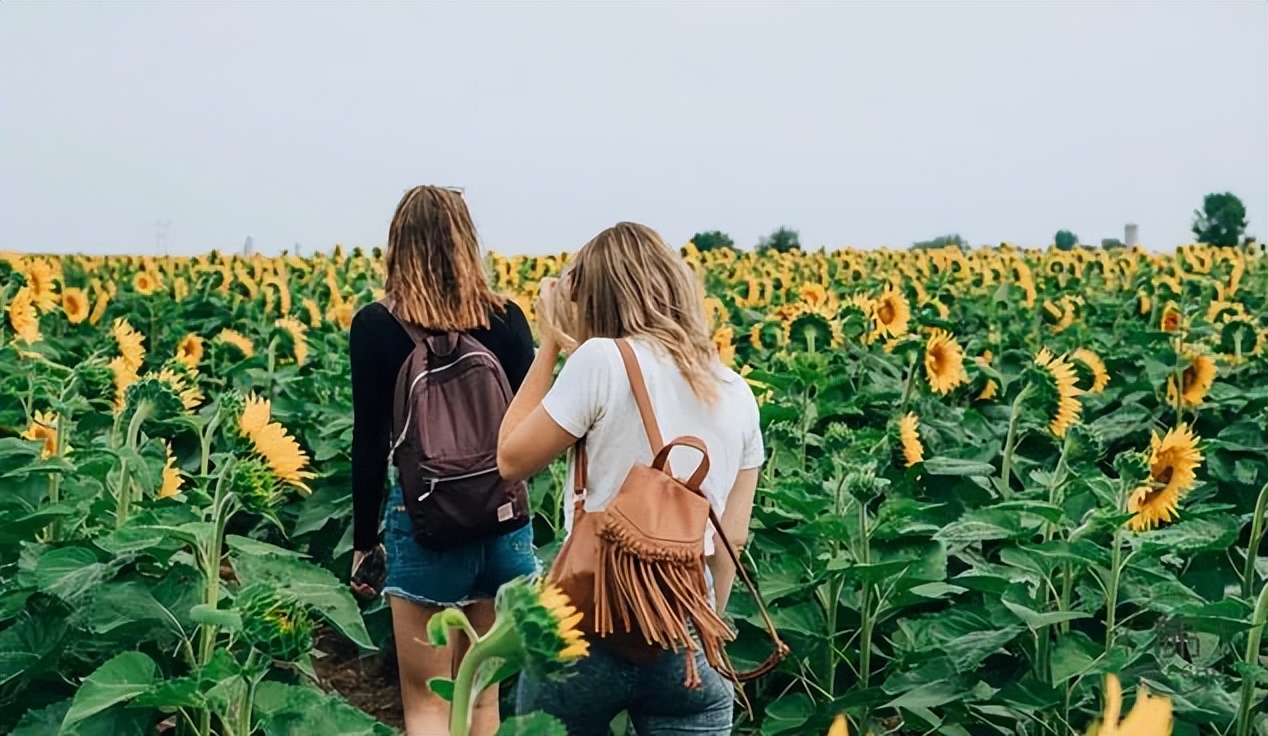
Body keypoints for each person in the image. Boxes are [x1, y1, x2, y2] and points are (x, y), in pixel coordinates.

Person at [497, 222, 764, 736]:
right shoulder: (735, 390)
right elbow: (732, 536)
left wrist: (552, 341)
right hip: (687, 634)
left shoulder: (601, 359)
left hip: (587, 625)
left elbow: (510, 459)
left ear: (595, 296)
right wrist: (693, 621)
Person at [349, 185, 537, 736]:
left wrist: (365, 543)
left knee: (429, 704)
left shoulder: (376, 326)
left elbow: (370, 441)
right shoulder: (507, 319)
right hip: (502, 523)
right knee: (482, 701)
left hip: (423, 522)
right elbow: (528, 427)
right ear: (467, 242)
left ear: (397, 246)